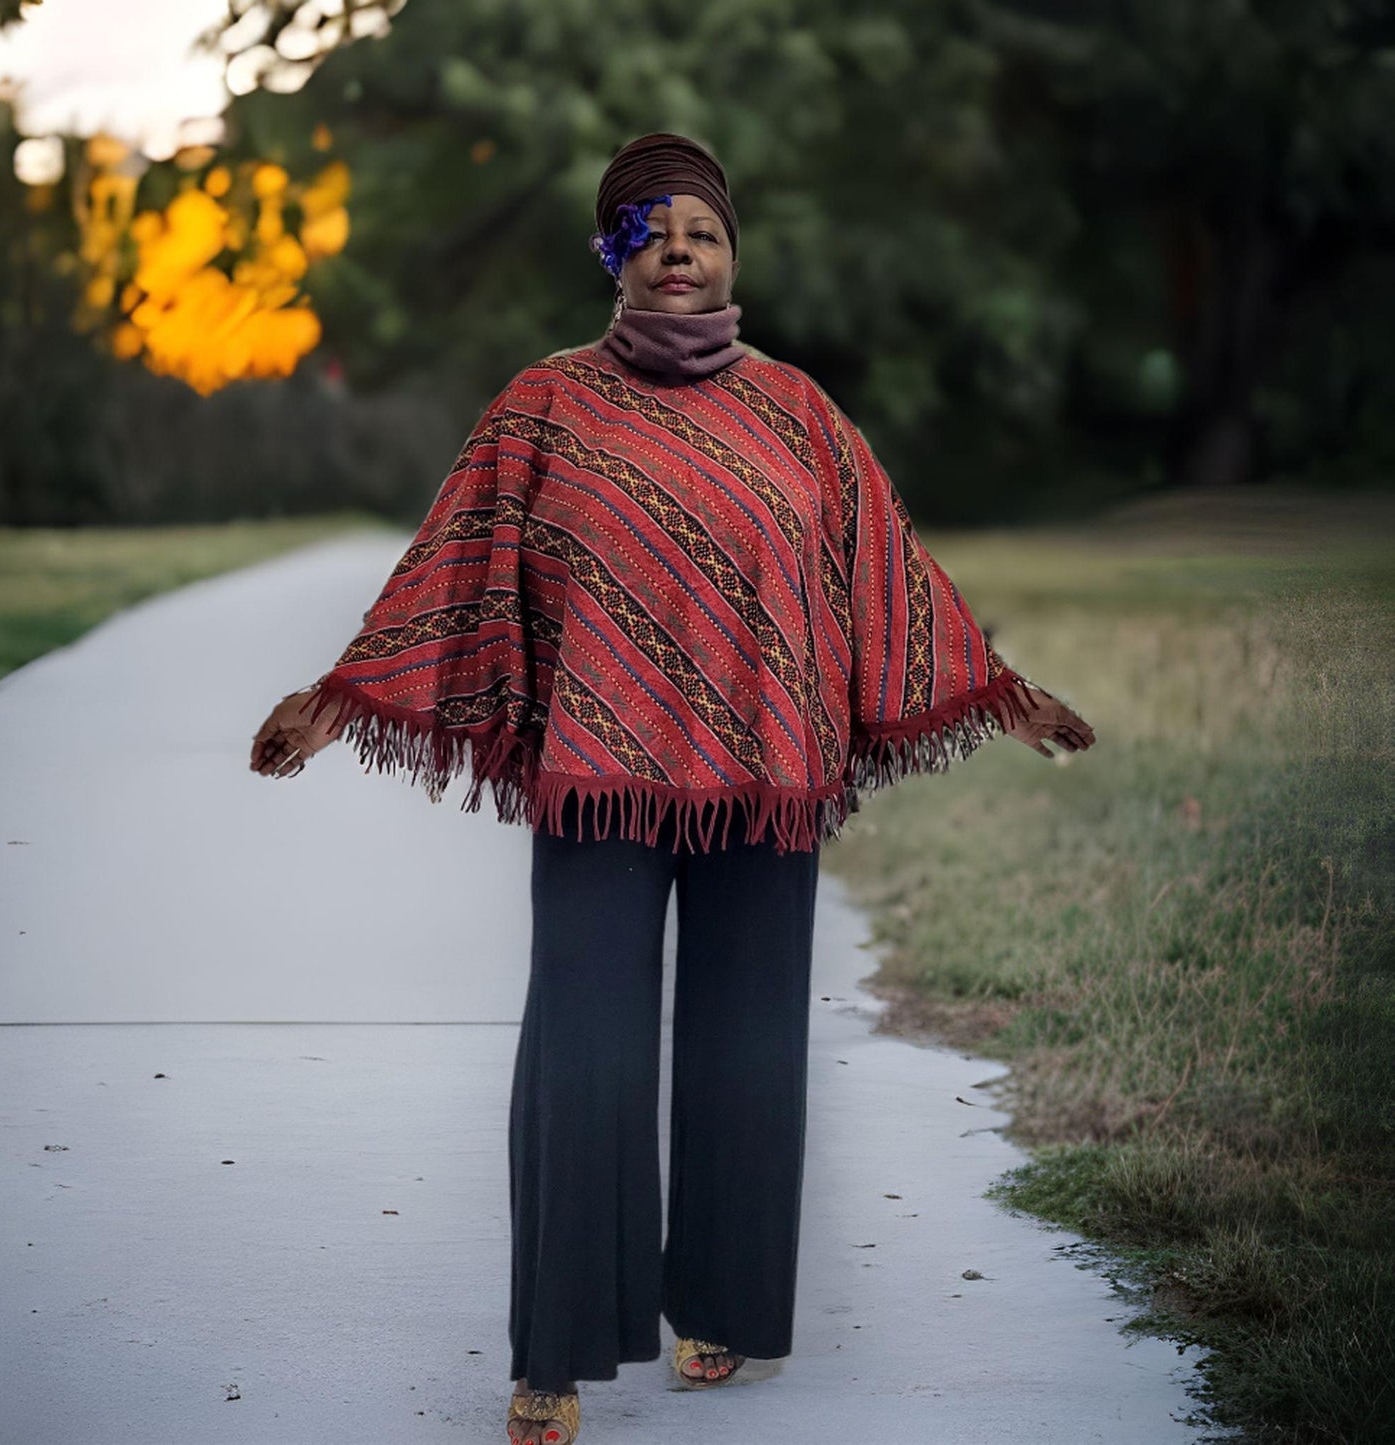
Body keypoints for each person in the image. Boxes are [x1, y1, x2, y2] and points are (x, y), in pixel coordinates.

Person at [249, 132, 1096, 1445]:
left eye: (704, 230)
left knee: (748, 1043)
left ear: (732, 254)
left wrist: (997, 686)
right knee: (582, 1051)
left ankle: (722, 1303)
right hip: (600, 776)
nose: (681, 249)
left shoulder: (798, 410)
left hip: (766, 770)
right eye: (653, 230)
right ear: (615, 254)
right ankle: (552, 1357)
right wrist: (341, 693)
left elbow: (887, 570)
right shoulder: (546, 405)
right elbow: (452, 562)